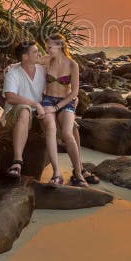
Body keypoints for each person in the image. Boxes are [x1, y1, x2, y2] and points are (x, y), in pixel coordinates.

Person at [3, 40, 64, 184]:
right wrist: (34, 103)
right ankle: (17, 162)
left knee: (61, 123)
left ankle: (67, 171)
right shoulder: (13, 73)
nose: (39, 54)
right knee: (24, 109)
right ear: (25, 57)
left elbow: (58, 61)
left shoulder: (42, 70)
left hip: (38, 112)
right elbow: (10, 97)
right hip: (15, 114)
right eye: (35, 52)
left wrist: (72, 98)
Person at [40, 33, 93, 187]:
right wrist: (12, 67)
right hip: (48, 99)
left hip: (66, 102)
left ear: (60, 46)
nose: (47, 49)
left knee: (67, 133)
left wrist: (57, 107)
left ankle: (77, 173)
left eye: (50, 47)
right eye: (46, 47)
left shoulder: (72, 65)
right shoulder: (47, 60)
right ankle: (57, 175)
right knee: (51, 130)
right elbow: (28, 61)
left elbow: (74, 92)